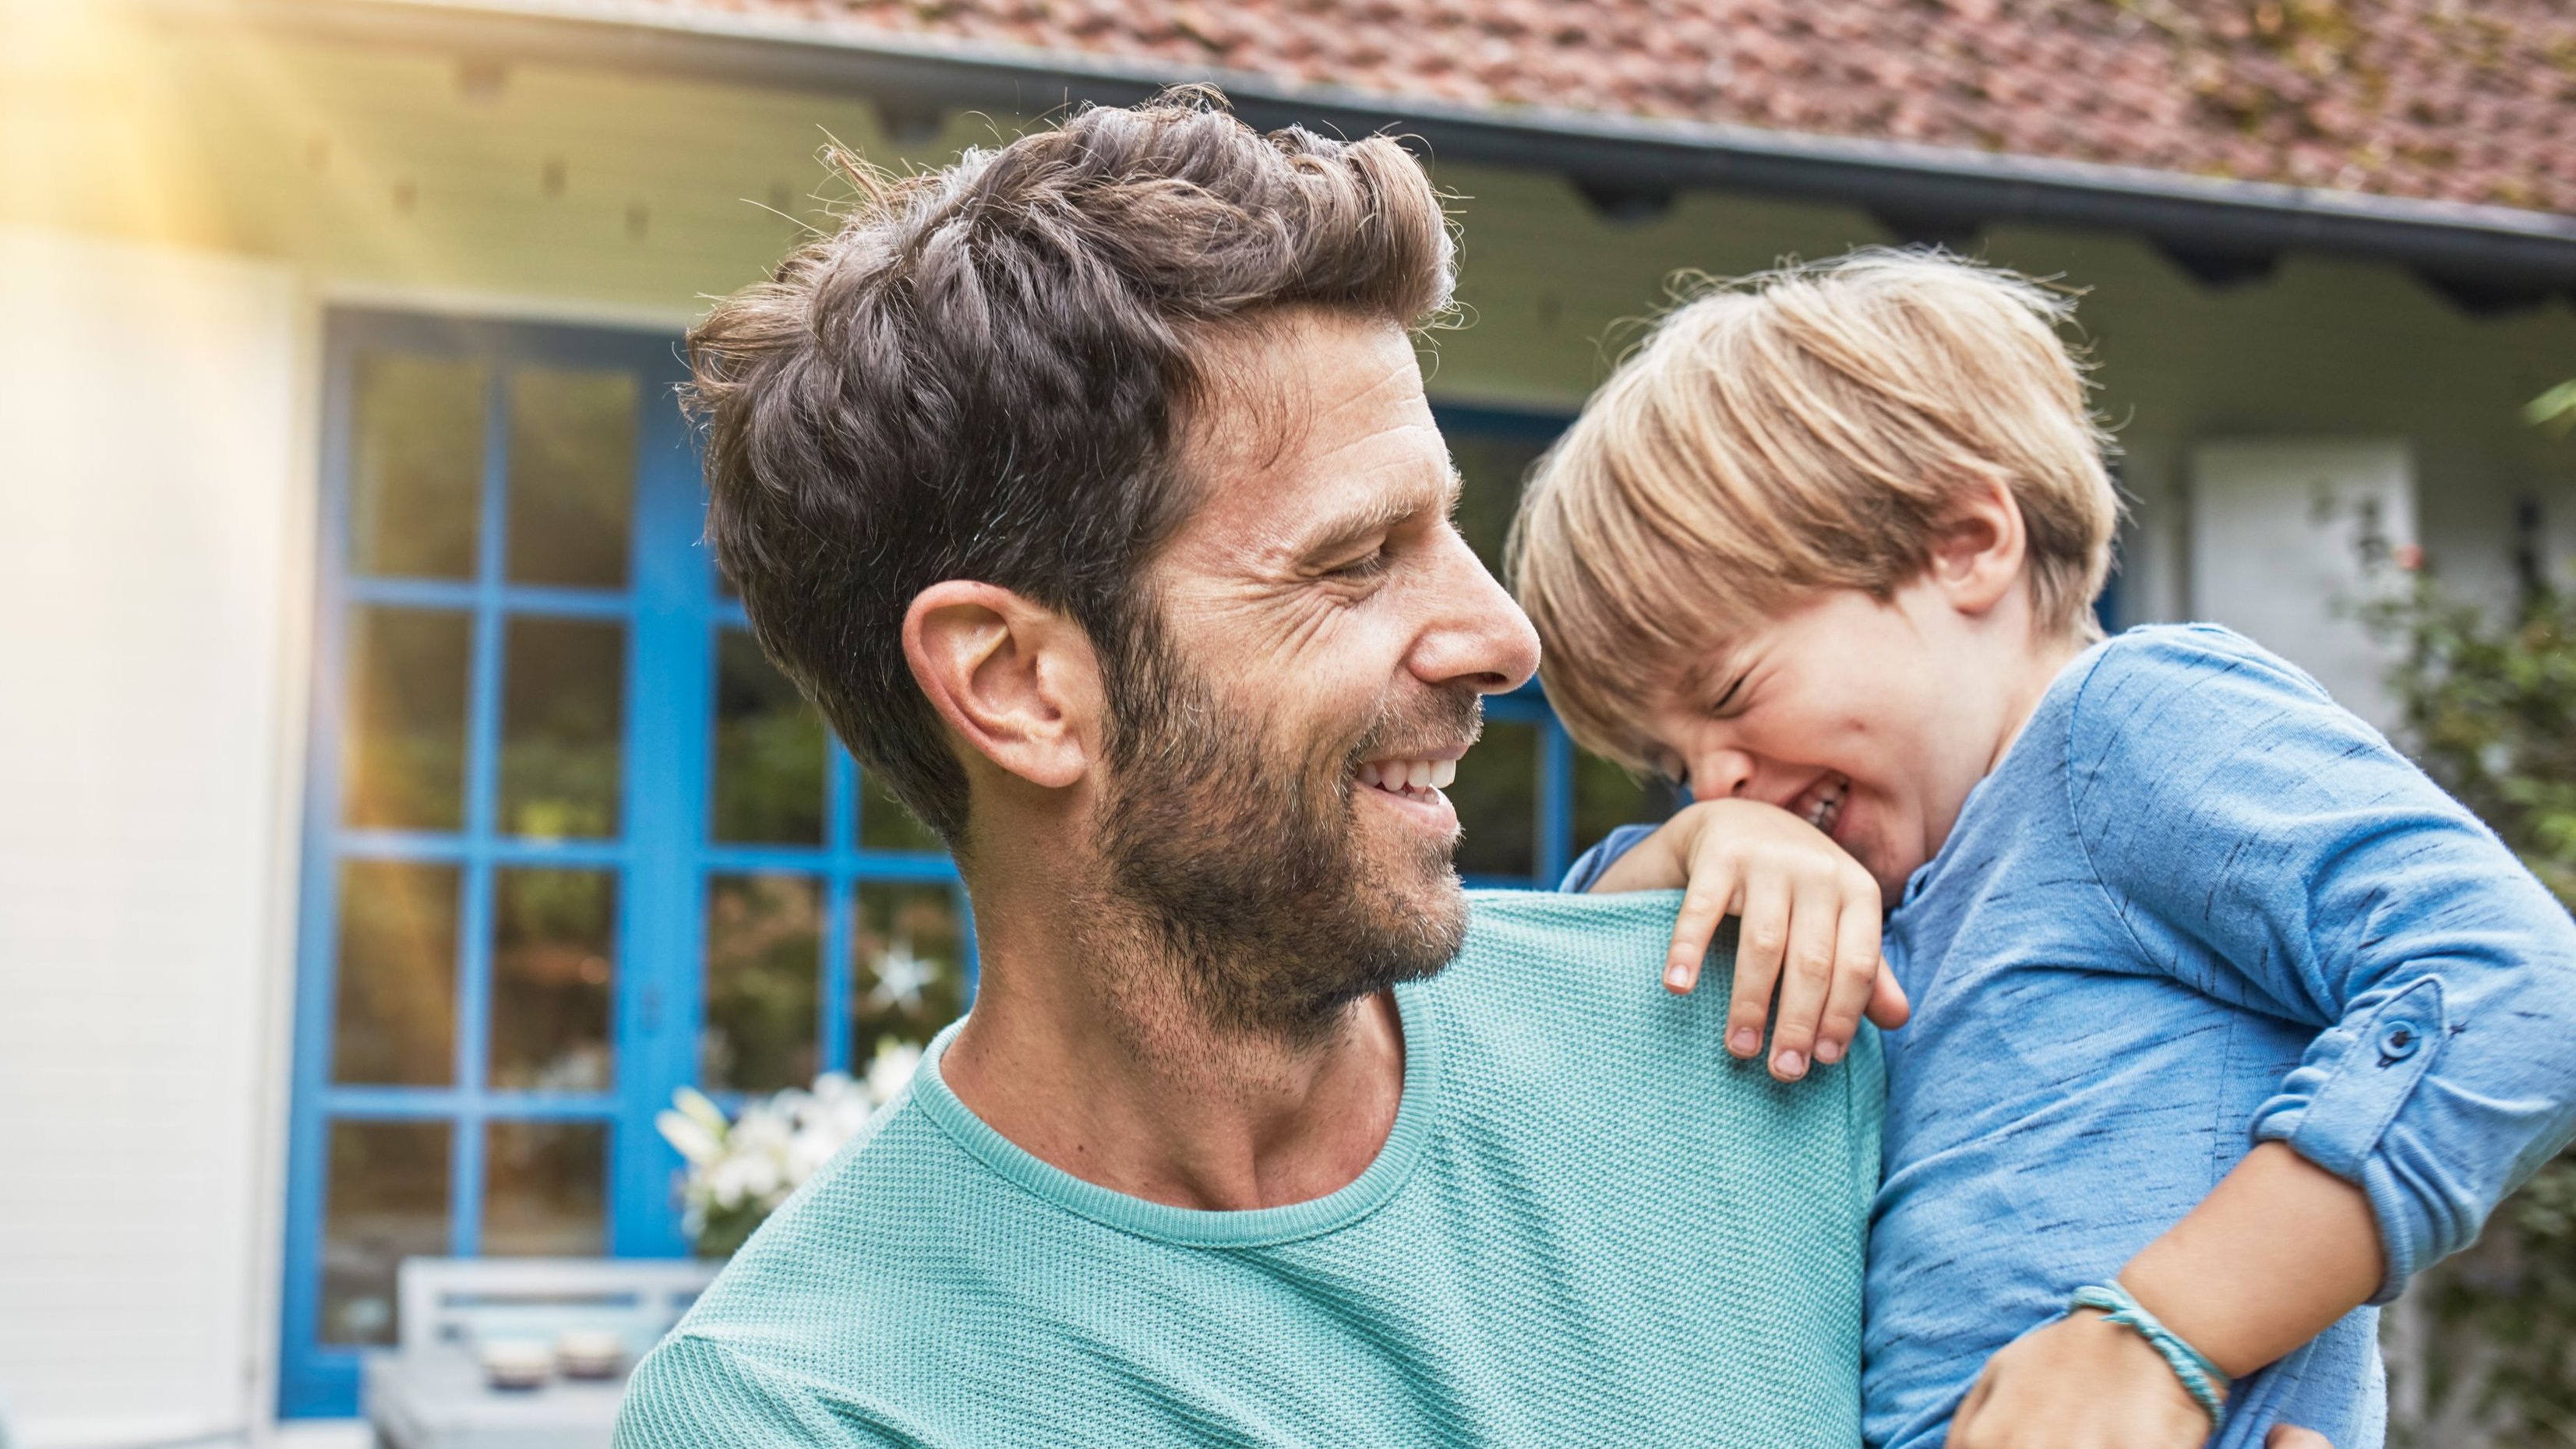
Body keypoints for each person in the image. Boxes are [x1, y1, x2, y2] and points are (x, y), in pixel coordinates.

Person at [612, 93, 1904, 1447]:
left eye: (1449, 527)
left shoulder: (1763, 1027)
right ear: (1016, 686)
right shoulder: (810, 1411)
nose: (1501, 637)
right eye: (1354, 559)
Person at [1509, 251, 2576, 1449]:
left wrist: (2161, 1332)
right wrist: (1684, 851)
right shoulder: (1878, 893)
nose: (1711, 776)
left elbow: (2517, 987)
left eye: (1732, 690)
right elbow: (1551, 1015)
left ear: (1965, 543)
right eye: (1671, 760)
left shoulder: (2122, 729)